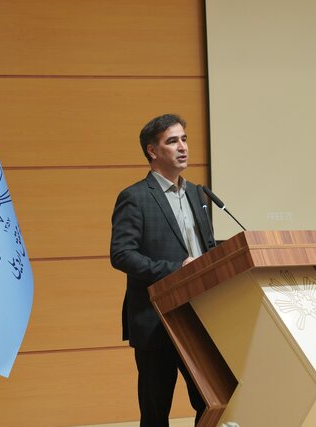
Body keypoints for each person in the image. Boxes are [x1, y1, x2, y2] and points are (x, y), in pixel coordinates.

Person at [110, 114, 216, 426]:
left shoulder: (198, 194)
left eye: (184, 139)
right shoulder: (135, 197)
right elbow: (122, 255)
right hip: (156, 318)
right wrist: (175, 269)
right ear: (152, 151)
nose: (182, 147)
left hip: (200, 314)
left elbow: (207, 248)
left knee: (212, 402)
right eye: (172, 141)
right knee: (156, 411)